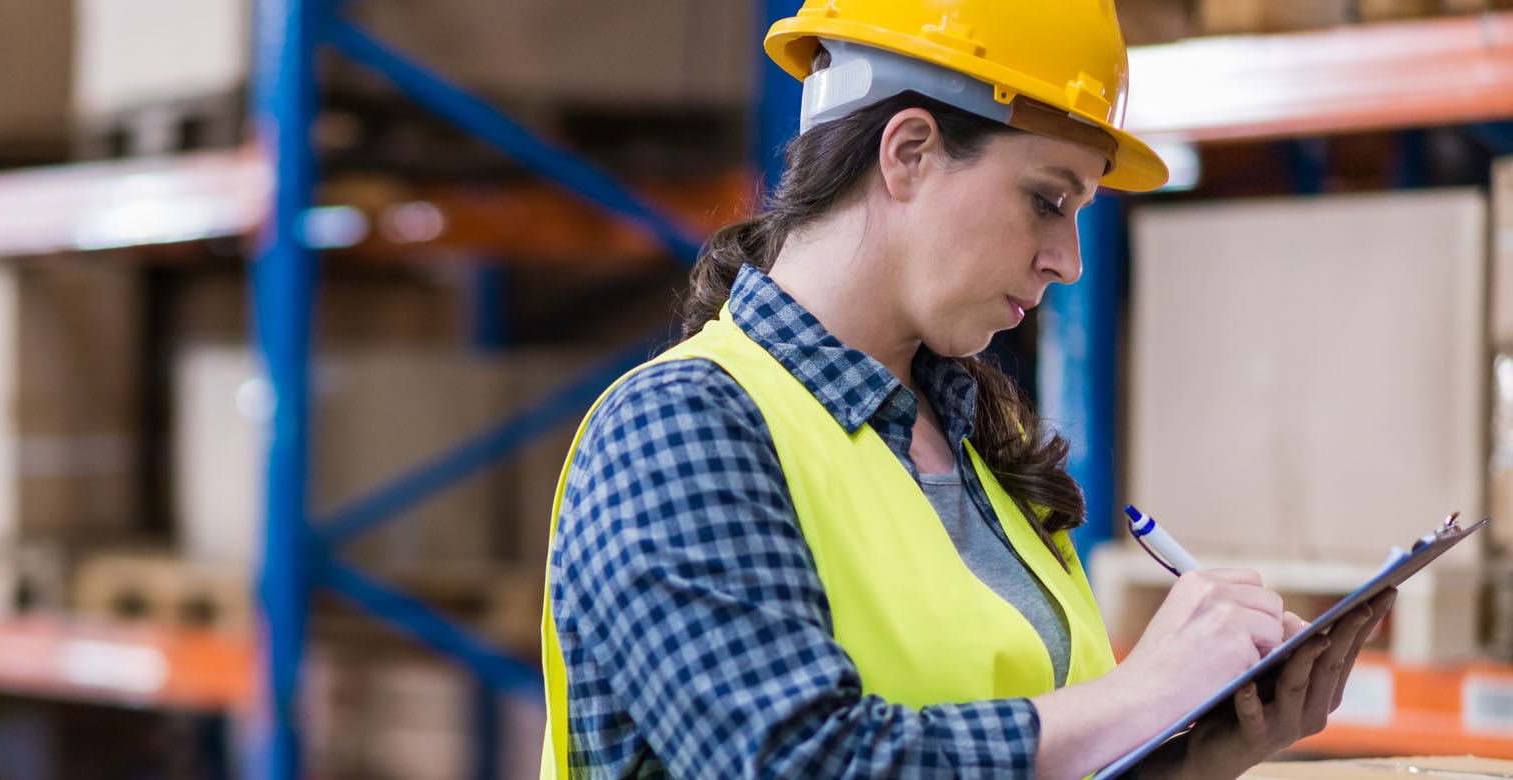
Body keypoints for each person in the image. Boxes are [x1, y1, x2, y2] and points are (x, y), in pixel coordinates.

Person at [536, 1, 1396, 778]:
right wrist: (1143, 694)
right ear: (909, 153)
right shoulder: (681, 429)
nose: (1069, 260)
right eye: (1047, 200)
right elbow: (798, 763)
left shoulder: (981, 449)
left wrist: (1204, 750)